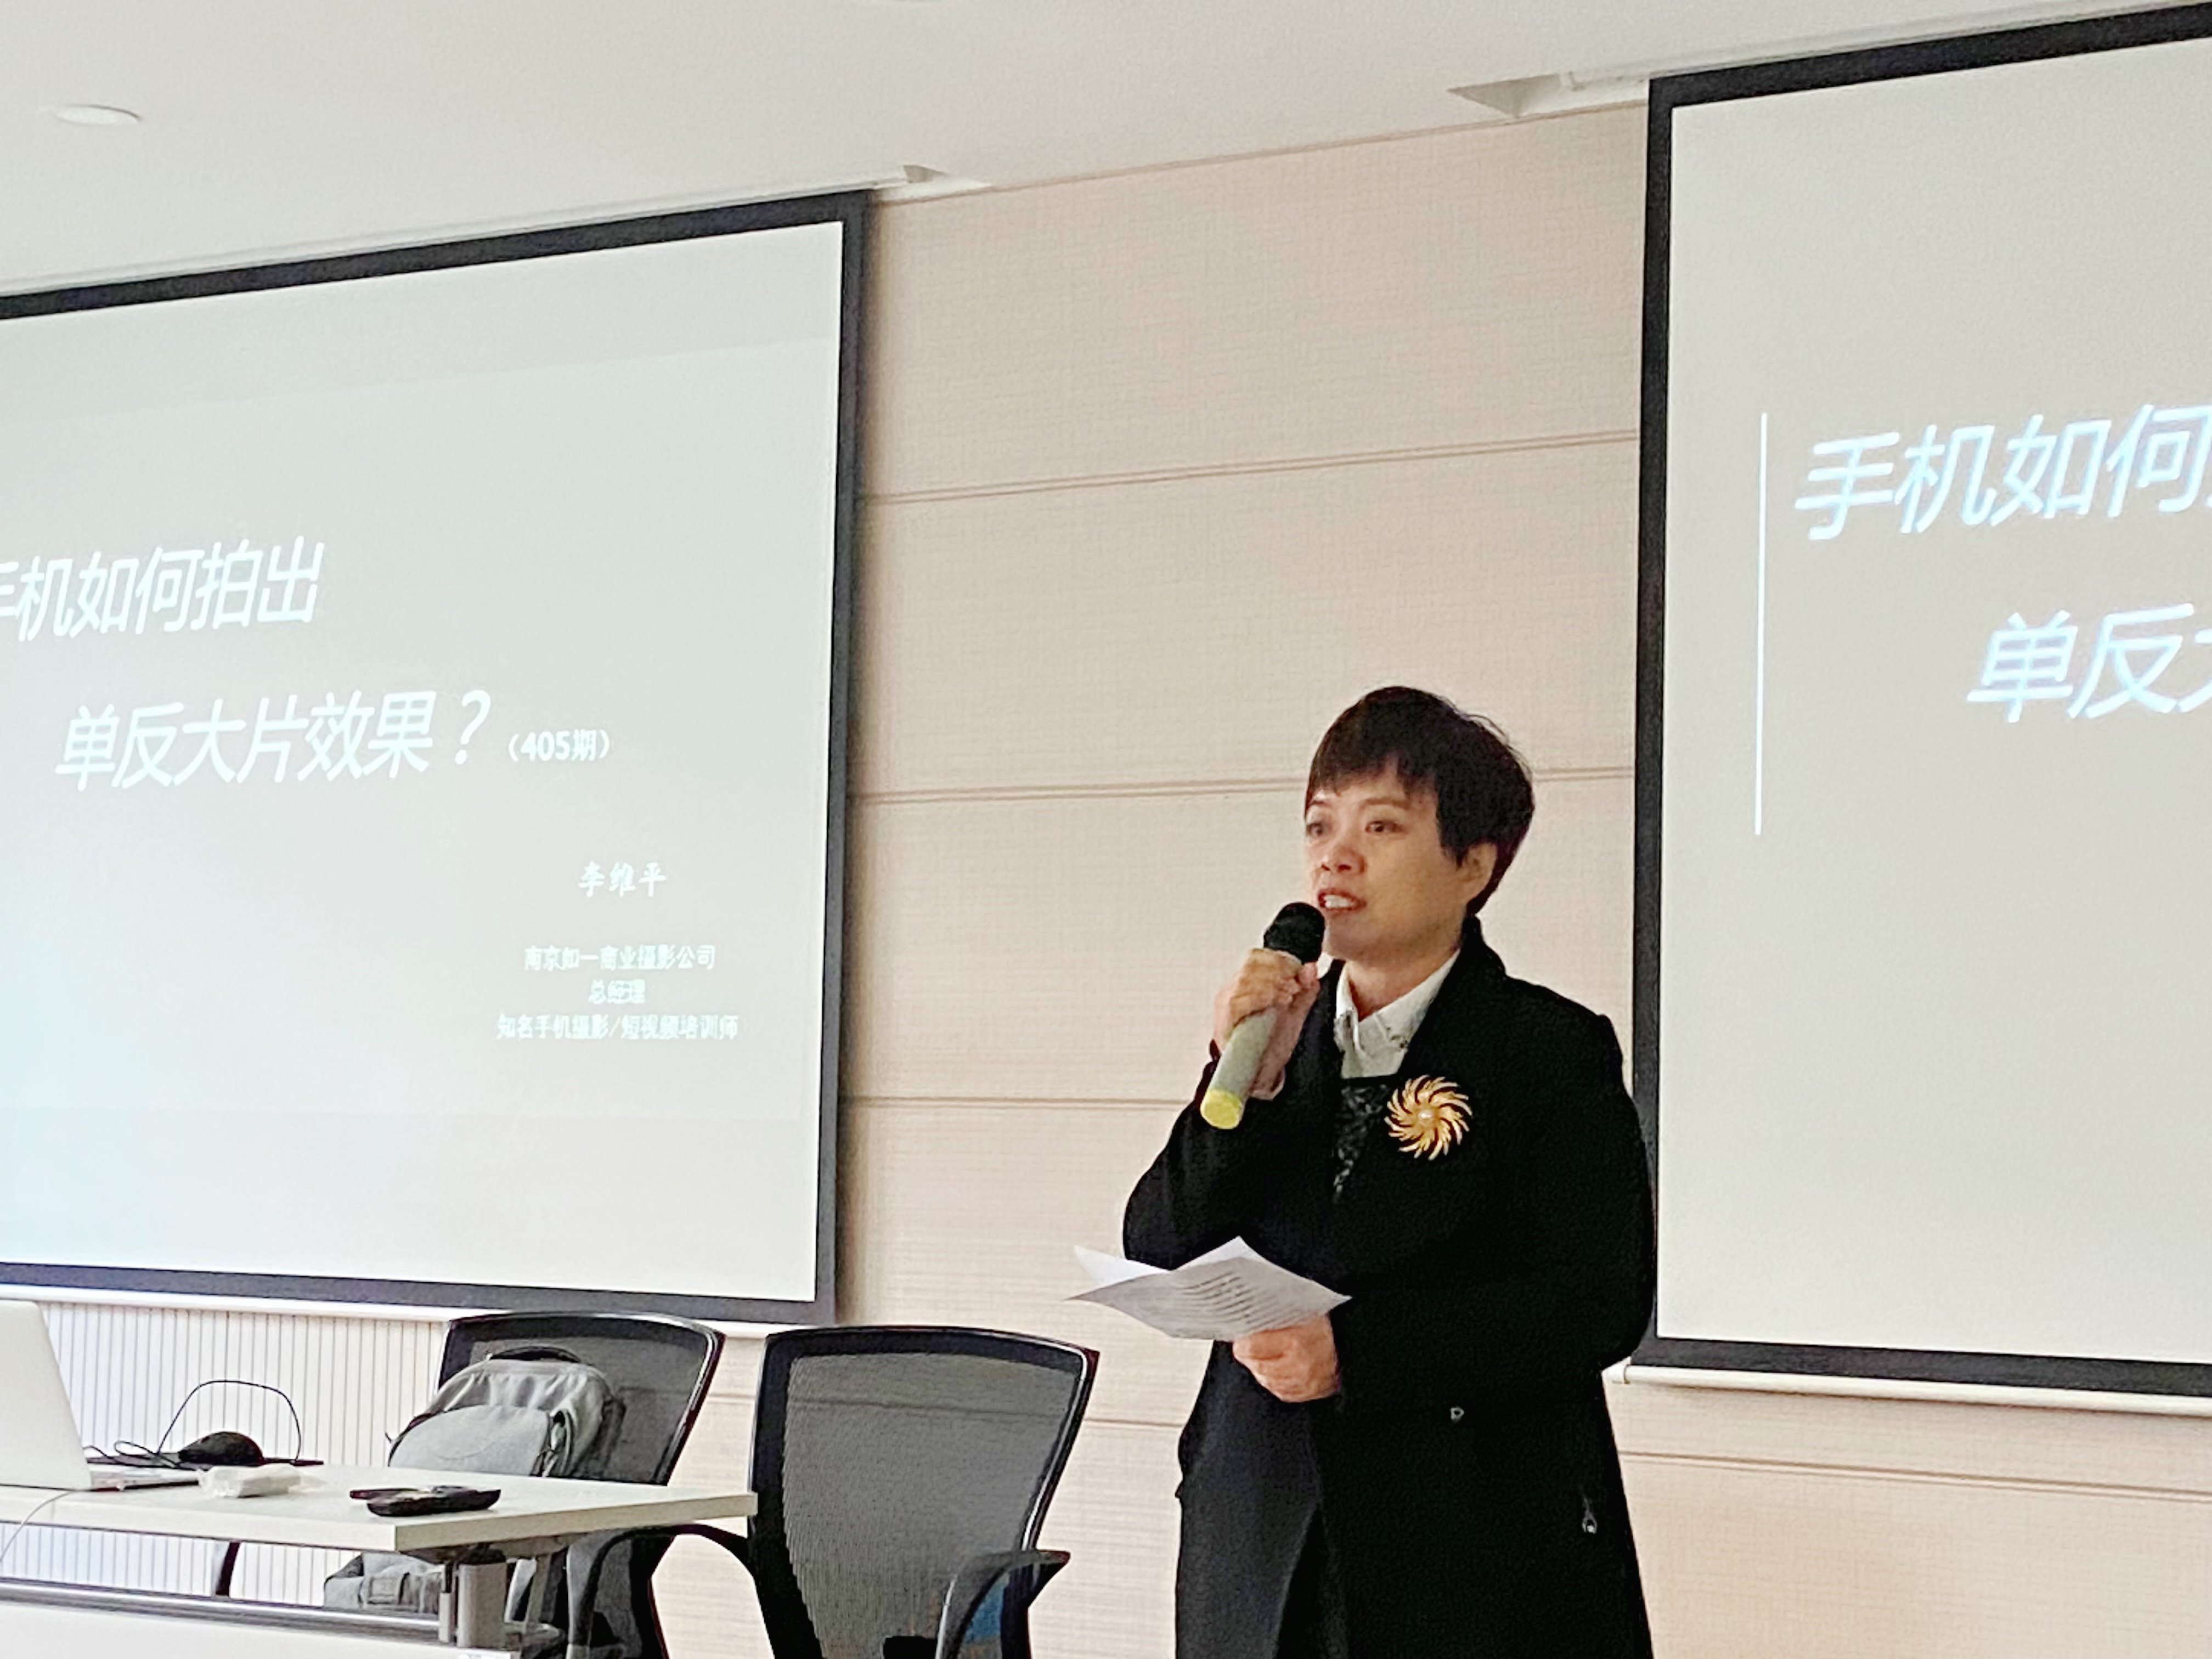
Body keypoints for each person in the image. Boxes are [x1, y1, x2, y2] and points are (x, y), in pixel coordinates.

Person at [1124, 686, 1655, 1659]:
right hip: (1262, 1528)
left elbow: (1597, 1302)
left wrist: (1358, 1352)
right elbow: (1161, 1240)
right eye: (1320, 825)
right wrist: (1247, 1078)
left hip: (1464, 1540)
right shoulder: (1279, 1044)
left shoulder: (1546, 1050)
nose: (1336, 856)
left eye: (1381, 826)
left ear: (1473, 865)